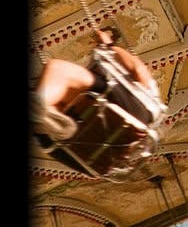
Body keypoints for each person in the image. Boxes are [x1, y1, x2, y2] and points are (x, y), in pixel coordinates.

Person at [31, 23, 162, 144]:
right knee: (60, 98)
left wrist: (110, 45)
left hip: (133, 112)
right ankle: (47, 119)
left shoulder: (152, 97)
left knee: (57, 69)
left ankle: (38, 108)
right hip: (112, 131)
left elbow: (138, 68)